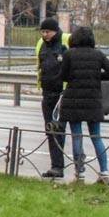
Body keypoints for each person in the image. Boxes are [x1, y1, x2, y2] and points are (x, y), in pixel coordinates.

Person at [58, 26, 109, 184]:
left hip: (73, 99)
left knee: (77, 136)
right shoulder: (98, 54)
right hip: (93, 101)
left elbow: (63, 76)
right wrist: (97, 77)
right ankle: (104, 172)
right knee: (96, 137)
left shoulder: (69, 54)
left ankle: (79, 174)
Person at [37, 17, 71, 179]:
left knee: (58, 130)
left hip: (60, 95)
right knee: (50, 130)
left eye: (47, 31)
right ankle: (54, 166)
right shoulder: (42, 45)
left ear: (55, 31)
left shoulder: (63, 44)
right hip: (47, 93)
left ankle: (59, 166)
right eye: (43, 32)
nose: (45, 34)